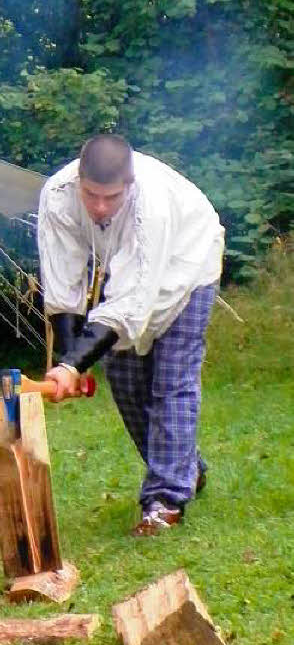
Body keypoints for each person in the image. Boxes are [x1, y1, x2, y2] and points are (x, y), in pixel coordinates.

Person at [37, 134, 224, 535]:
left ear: (129, 184)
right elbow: (62, 282)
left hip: (188, 264)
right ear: (78, 179)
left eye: (111, 197)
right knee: (124, 382)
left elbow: (130, 302)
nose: (100, 207)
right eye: (92, 195)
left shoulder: (150, 206)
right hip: (131, 278)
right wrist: (71, 363)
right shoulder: (57, 195)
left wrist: (72, 365)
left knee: (172, 382)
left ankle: (165, 499)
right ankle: (186, 467)